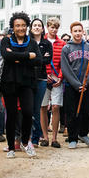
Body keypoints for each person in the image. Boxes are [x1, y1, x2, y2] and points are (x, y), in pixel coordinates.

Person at [0, 12, 42, 158]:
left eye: (23, 25)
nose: (21, 28)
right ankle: (11, 147)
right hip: (9, 82)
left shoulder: (31, 43)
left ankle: (25, 142)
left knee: (28, 113)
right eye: (17, 25)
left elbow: (39, 61)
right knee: (11, 114)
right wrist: (27, 56)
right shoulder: (6, 41)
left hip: (27, 82)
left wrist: (16, 57)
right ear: (13, 27)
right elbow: (6, 56)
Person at [61, 21, 89, 149]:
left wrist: (86, 82)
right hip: (71, 86)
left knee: (86, 111)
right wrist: (76, 84)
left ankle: (83, 134)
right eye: (75, 31)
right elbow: (65, 69)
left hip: (86, 85)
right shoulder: (66, 48)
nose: (78, 33)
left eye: (80, 31)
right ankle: (72, 137)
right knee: (72, 111)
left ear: (83, 32)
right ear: (71, 32)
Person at [40, 17, 66, 148]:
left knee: (56, 106)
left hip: (57, 79)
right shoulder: (41, 42)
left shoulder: (62, 44)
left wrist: (60, 77)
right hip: (44, 78)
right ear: (47, 27)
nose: (54, 29)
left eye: (56, 27)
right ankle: (45, 137)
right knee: (43, 107)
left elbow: (64, 63)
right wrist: (45, 75)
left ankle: (55, 138)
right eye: (51, 27)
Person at [29, 18, 52, 147]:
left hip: (42, 78)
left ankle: (35, 139)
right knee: (28, 109)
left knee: (37, 108)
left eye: (39, 25)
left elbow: (47, 61)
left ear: (43, 29)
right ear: (31, 28)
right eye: (34, 25)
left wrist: (34, 59)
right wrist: (41, 58)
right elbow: (25, 58)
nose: (37, 27)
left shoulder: (47, 43)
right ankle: (25, 137)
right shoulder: (27, 42)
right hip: (28, 78)